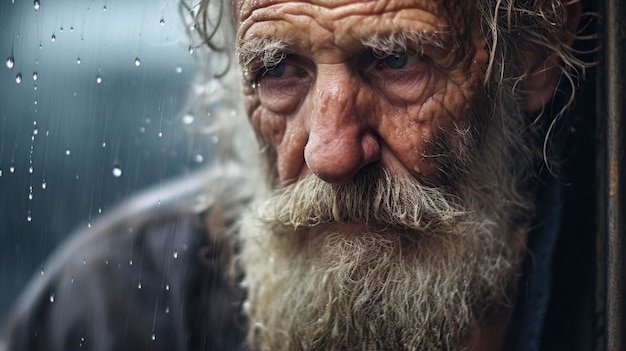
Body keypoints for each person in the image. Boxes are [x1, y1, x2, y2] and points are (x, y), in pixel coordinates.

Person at [1, 0, 597, 350]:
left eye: (396, 60)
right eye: (279, 69)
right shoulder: (113, 309)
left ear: (534, 56)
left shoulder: (599, 285)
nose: (331, 154)